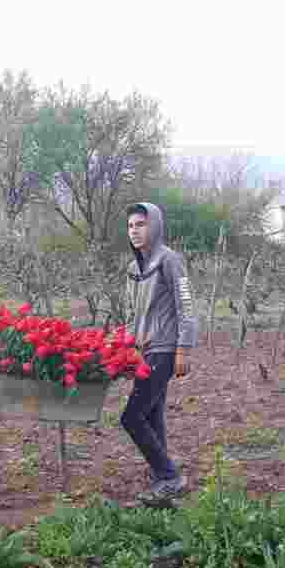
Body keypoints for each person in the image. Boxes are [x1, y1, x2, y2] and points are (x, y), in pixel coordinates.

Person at [121, 201, 197, 506]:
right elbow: (129, 311)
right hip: (142, 351)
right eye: (130, 226)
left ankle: (169, 477)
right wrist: (126, 348)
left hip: (165, 350)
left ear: (155, 226)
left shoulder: (169, 261)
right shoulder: (132, 268)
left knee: (131, 417)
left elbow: (186, 305)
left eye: (141, 224)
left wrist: (184, 347)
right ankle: (162, 481)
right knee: (152, 416)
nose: (135, 231)